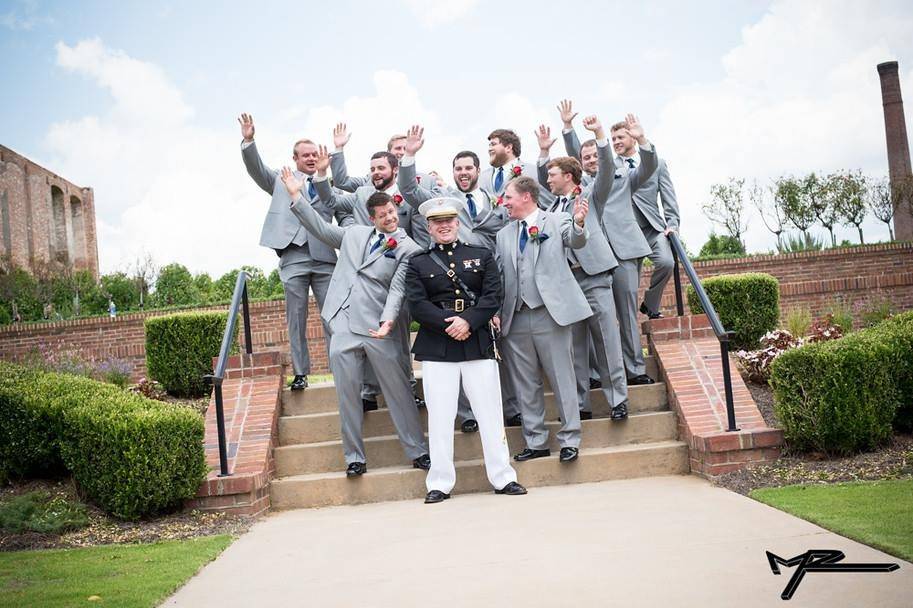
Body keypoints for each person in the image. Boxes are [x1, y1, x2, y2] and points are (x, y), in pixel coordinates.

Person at [281, 149, 430, 477]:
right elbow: (321, 229)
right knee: (347, 396)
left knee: (398, 393)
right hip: (343, 325)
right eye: (382, 215)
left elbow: (398, 289)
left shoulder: (409, 249)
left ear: (396, 210)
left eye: (392, 212)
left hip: (379, 326)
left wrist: (389, 320)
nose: (389, 218)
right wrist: (296, 197)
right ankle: (354, 458)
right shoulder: (354, 235)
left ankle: (418, 451)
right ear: (372, 218)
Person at [396, 125, 523, 429]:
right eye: (458, 168)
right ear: (452, 173)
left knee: (501, 347)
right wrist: (409, 156)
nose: (463, 172)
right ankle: (466, 416)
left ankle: (511, 407)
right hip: (457, 281)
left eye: (468, 167)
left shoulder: (496, 198)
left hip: (495, 278)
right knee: (461, 351)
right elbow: (410, 191)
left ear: (479, 170)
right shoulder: (445, 200)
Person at [406, 197, 526, 503]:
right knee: (440, 416)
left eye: (449, 221)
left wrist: (468, 322)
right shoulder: (418, 262)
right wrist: (450, 324)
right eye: (437, 222)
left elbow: (493, 294)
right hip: (437, 343)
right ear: (428, 228)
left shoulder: (481, 255)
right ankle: (440, 483)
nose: (444, 226)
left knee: (490, 413)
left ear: (458, 223)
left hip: (476, 340)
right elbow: (417, 305)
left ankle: (503, 477)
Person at [238, 112, 351, 390]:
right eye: (306, 155)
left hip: (325, 258)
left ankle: (340, 371)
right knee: (296, 318)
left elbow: (343, 214)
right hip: (293, 256)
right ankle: (301, 373)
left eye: (315, 154)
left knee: (333, 316)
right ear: (295, 158)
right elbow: (257, 170)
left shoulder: (330, 184)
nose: (312, 158)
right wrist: (248, 141)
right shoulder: (280, 179)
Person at [537, 115, 631, 420]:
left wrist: (600, 135)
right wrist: (542, 152)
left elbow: (605, 172)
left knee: (606, 340)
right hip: (568, 285)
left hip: (593, 278)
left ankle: (617, 400)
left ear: (568, 176)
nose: (548, 180)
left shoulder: (590, 194)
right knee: (575, 348)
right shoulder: (550, 209)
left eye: (552, 175)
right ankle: (581, 405)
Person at [494, 176, 592, 463]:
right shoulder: (503, 235)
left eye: (508, 197)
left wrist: (579, 222)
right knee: (525, 384)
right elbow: (501, 277)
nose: (505, 203)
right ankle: (535, 440)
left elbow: (576, 240)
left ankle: (570, 439)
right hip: (516, 317)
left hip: (551, 315)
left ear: (526, 196)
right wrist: (498, 313)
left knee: (562, 379)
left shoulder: (557, 220)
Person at [559, 109, 660, 384]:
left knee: (626, 314)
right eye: (586, 157)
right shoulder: (577, 188)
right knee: (589, 318)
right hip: (590, 259)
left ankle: (635, 369)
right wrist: (568, 127)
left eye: (595, 155)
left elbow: (649, 167)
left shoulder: (623, 178)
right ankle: (593, 374)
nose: (592, 160)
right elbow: (572, 156)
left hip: (623, 253)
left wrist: (643, 142)